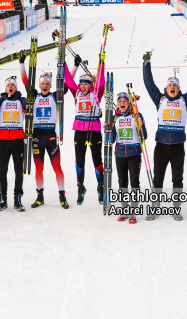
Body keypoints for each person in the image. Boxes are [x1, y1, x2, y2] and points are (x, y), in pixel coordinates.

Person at [142, 50, 187, 221]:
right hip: (160, 146)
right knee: (158, 178)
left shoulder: (185, 100)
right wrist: (146, 64)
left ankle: (176, 208)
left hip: (177, 147)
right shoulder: (160, 99)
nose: (172, 88)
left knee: (177, 178)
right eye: (170, 86)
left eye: (175, 86)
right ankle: (155, 206)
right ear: (166, 89)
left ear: (179, 89)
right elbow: (148, 83)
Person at [19, 57, 70, 209]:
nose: (45, 85)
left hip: (51, 137)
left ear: (50, 85)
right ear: (40, 85)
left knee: (57, 167)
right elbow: (24, 80)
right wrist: (22, 63)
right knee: (39, 169)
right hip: (36, 136)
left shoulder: (55, 96)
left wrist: (72, 67)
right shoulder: (34, 96)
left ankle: (62, 196)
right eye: (43, 83)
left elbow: (68, 84)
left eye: (47, 83)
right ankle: (40, 196)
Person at [64, 54, 106, 205]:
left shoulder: (96, 94)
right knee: (79, 161)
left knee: (97, 160)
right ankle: (80, 187)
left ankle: (101, 187)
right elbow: (68, 79)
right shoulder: (76, 93)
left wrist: (101, 62)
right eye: (81, 84)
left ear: (91, 85)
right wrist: (62, 62)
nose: (82, 86)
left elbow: (101, 81)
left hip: (94, 131)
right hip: (79, 131)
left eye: (85, 84)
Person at [0, 76, 27, 211]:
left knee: (18, 170)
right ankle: (3, 199)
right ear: (5, 88)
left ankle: (18, 198)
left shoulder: (21, 100)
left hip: (18, 140)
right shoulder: (1, 101)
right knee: (2, 170)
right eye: (8, 86)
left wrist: (30, 96)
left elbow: (29, 105)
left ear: (16, 88)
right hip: (3, 141)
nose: (10, 87)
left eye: (12, 85)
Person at [106, 92, 147, 224]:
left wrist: (140, 126)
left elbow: (144, 136)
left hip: (134, 153)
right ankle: (124, 209)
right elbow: (111, 140)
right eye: (120, 101)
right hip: (119, 154)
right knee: (122, 183)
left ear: (129, 103)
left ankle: (133, 211)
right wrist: (108, 129)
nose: (122, 103)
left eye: (124, 101)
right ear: (117, 104)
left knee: (134, 183)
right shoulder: (114, 117)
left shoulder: (136, 115)